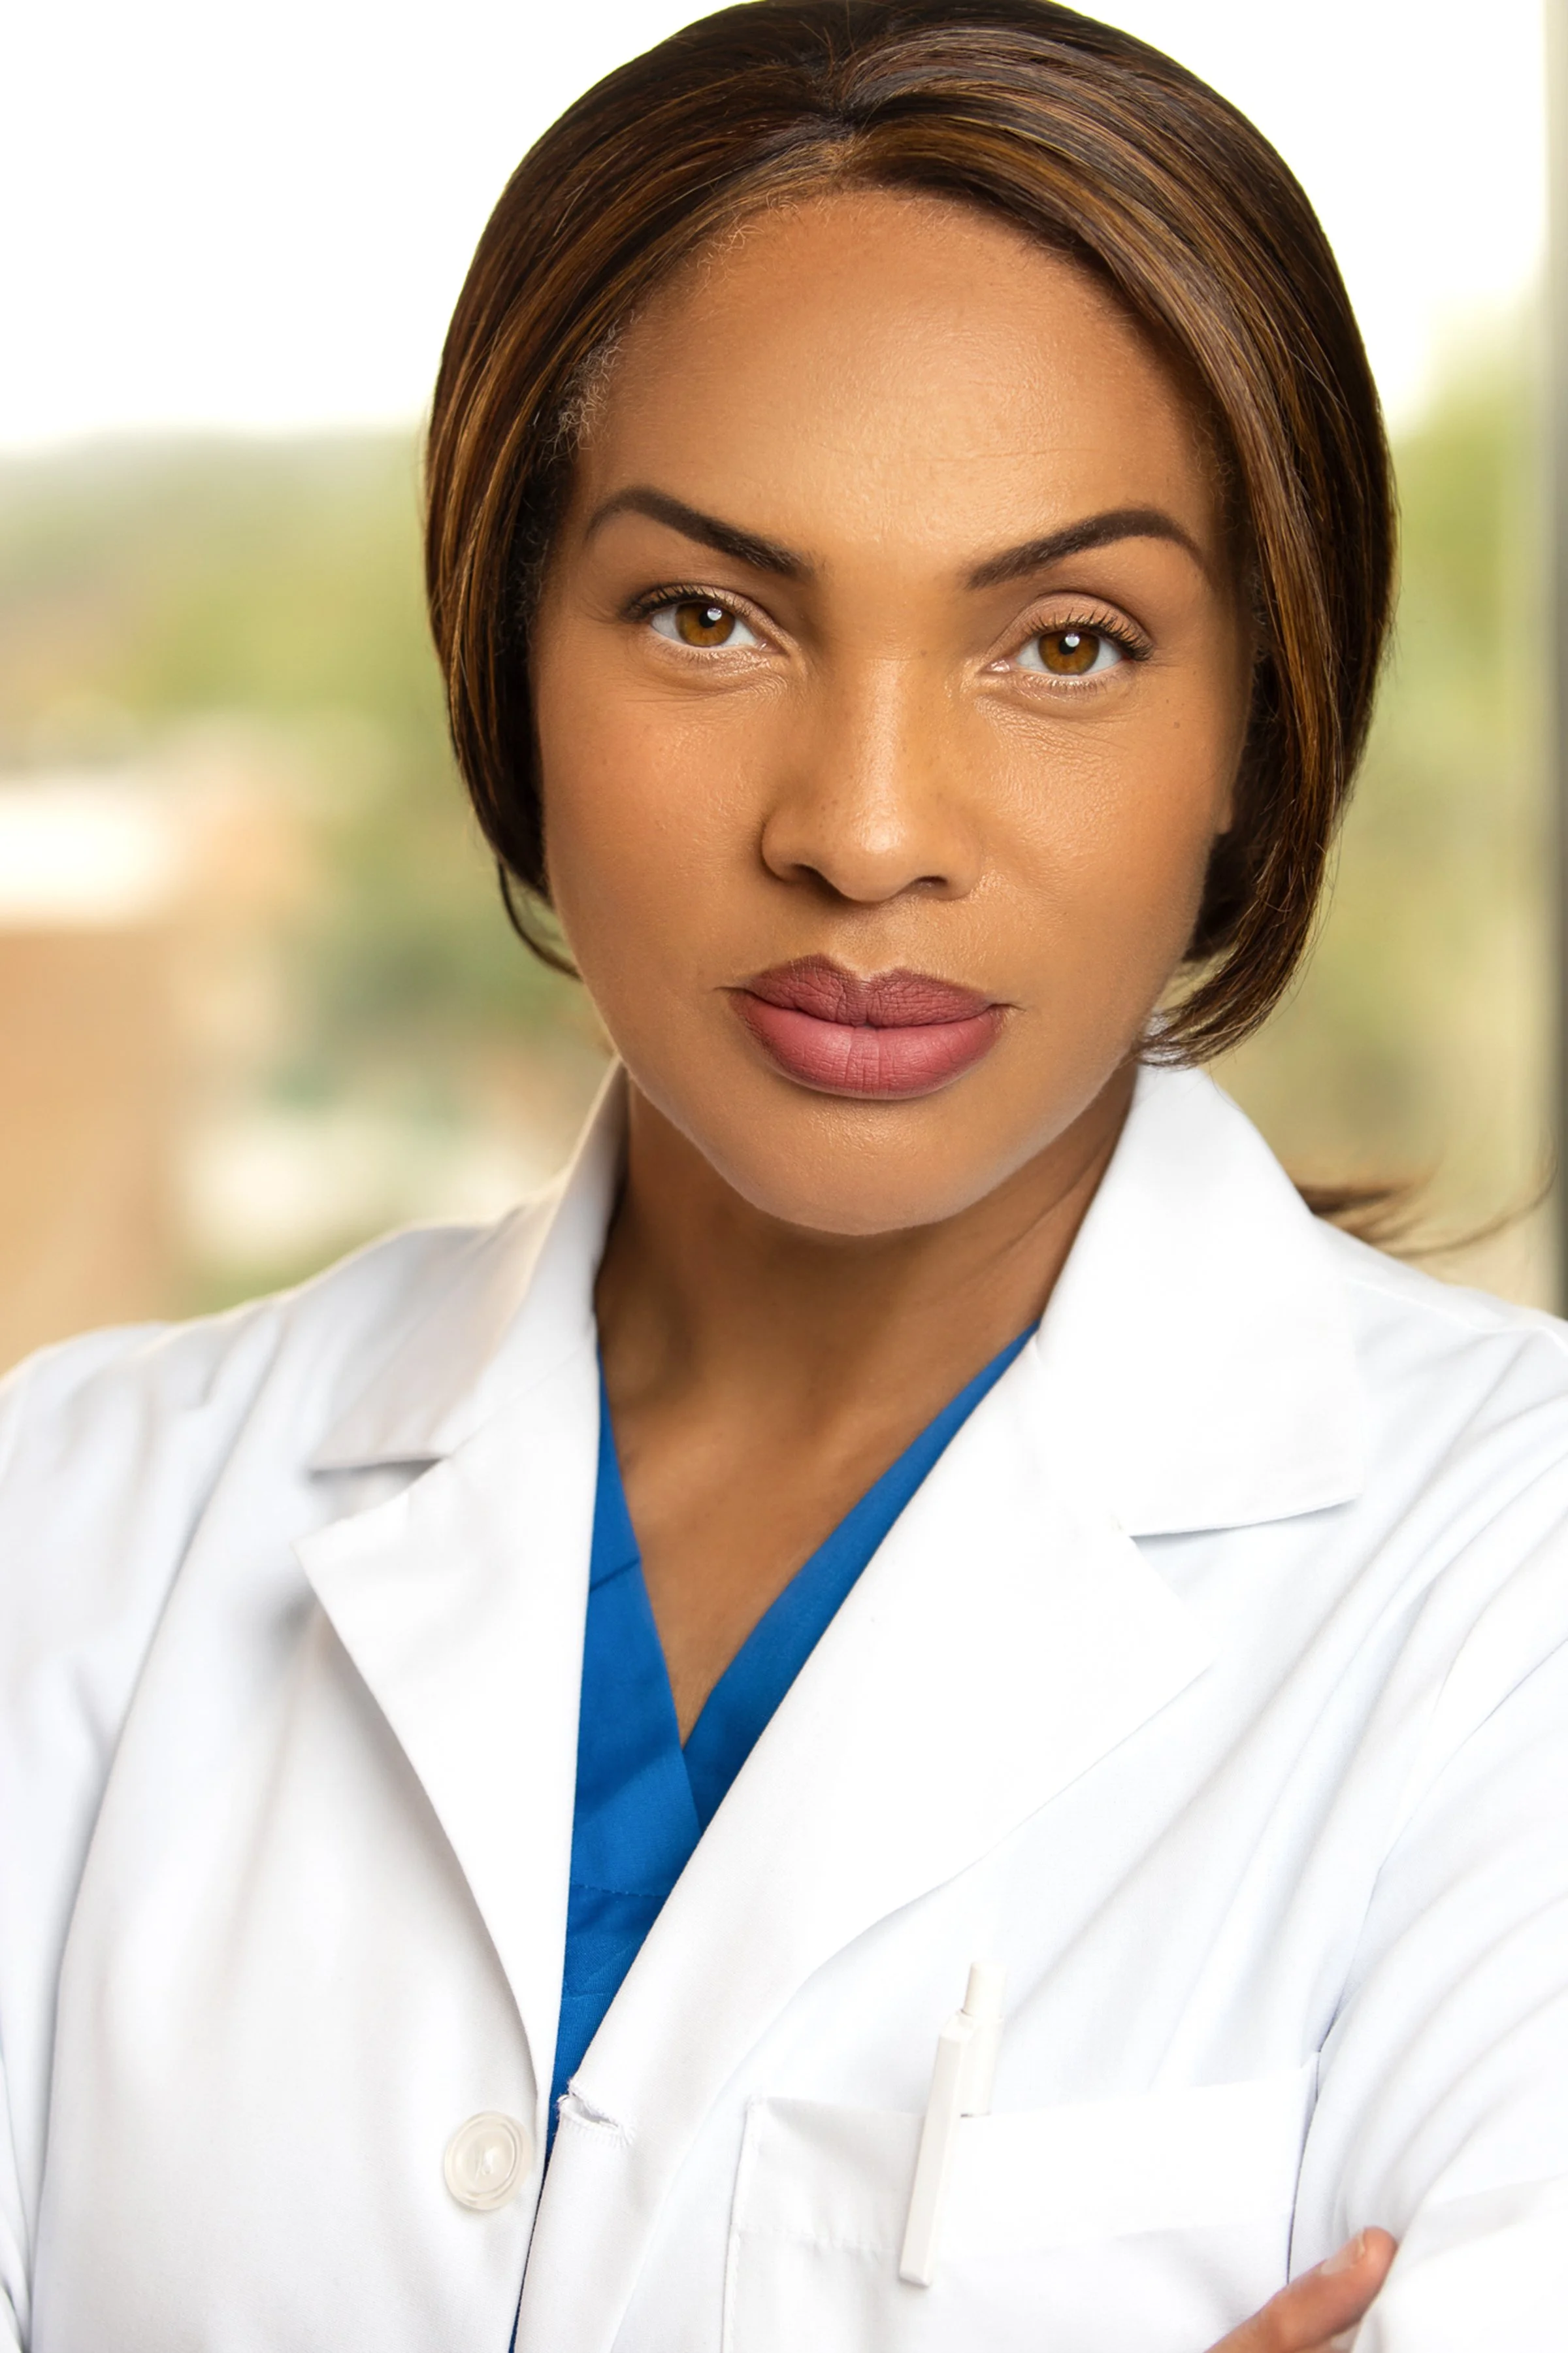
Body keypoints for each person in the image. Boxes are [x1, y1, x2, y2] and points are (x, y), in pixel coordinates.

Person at [2, 2, 1565, 2346]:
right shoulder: (78, 1530)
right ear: (507, 658)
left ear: (1261, 719)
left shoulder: (1507, 1600)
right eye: (707, 616)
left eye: (1065, 641)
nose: (863, 827)